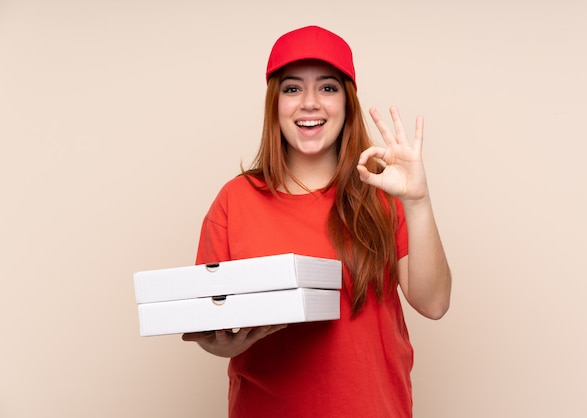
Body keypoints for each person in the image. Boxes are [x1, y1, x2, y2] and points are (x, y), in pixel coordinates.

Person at [182, 25, 451, 418]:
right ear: (275, 103)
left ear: (347, 101)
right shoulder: (234, 201)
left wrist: (418, 201)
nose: (310, 102)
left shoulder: (382, 193)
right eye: (292, 89)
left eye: (327, 88)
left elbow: (435, 303)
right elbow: (208, 320)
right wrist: (221, 344)